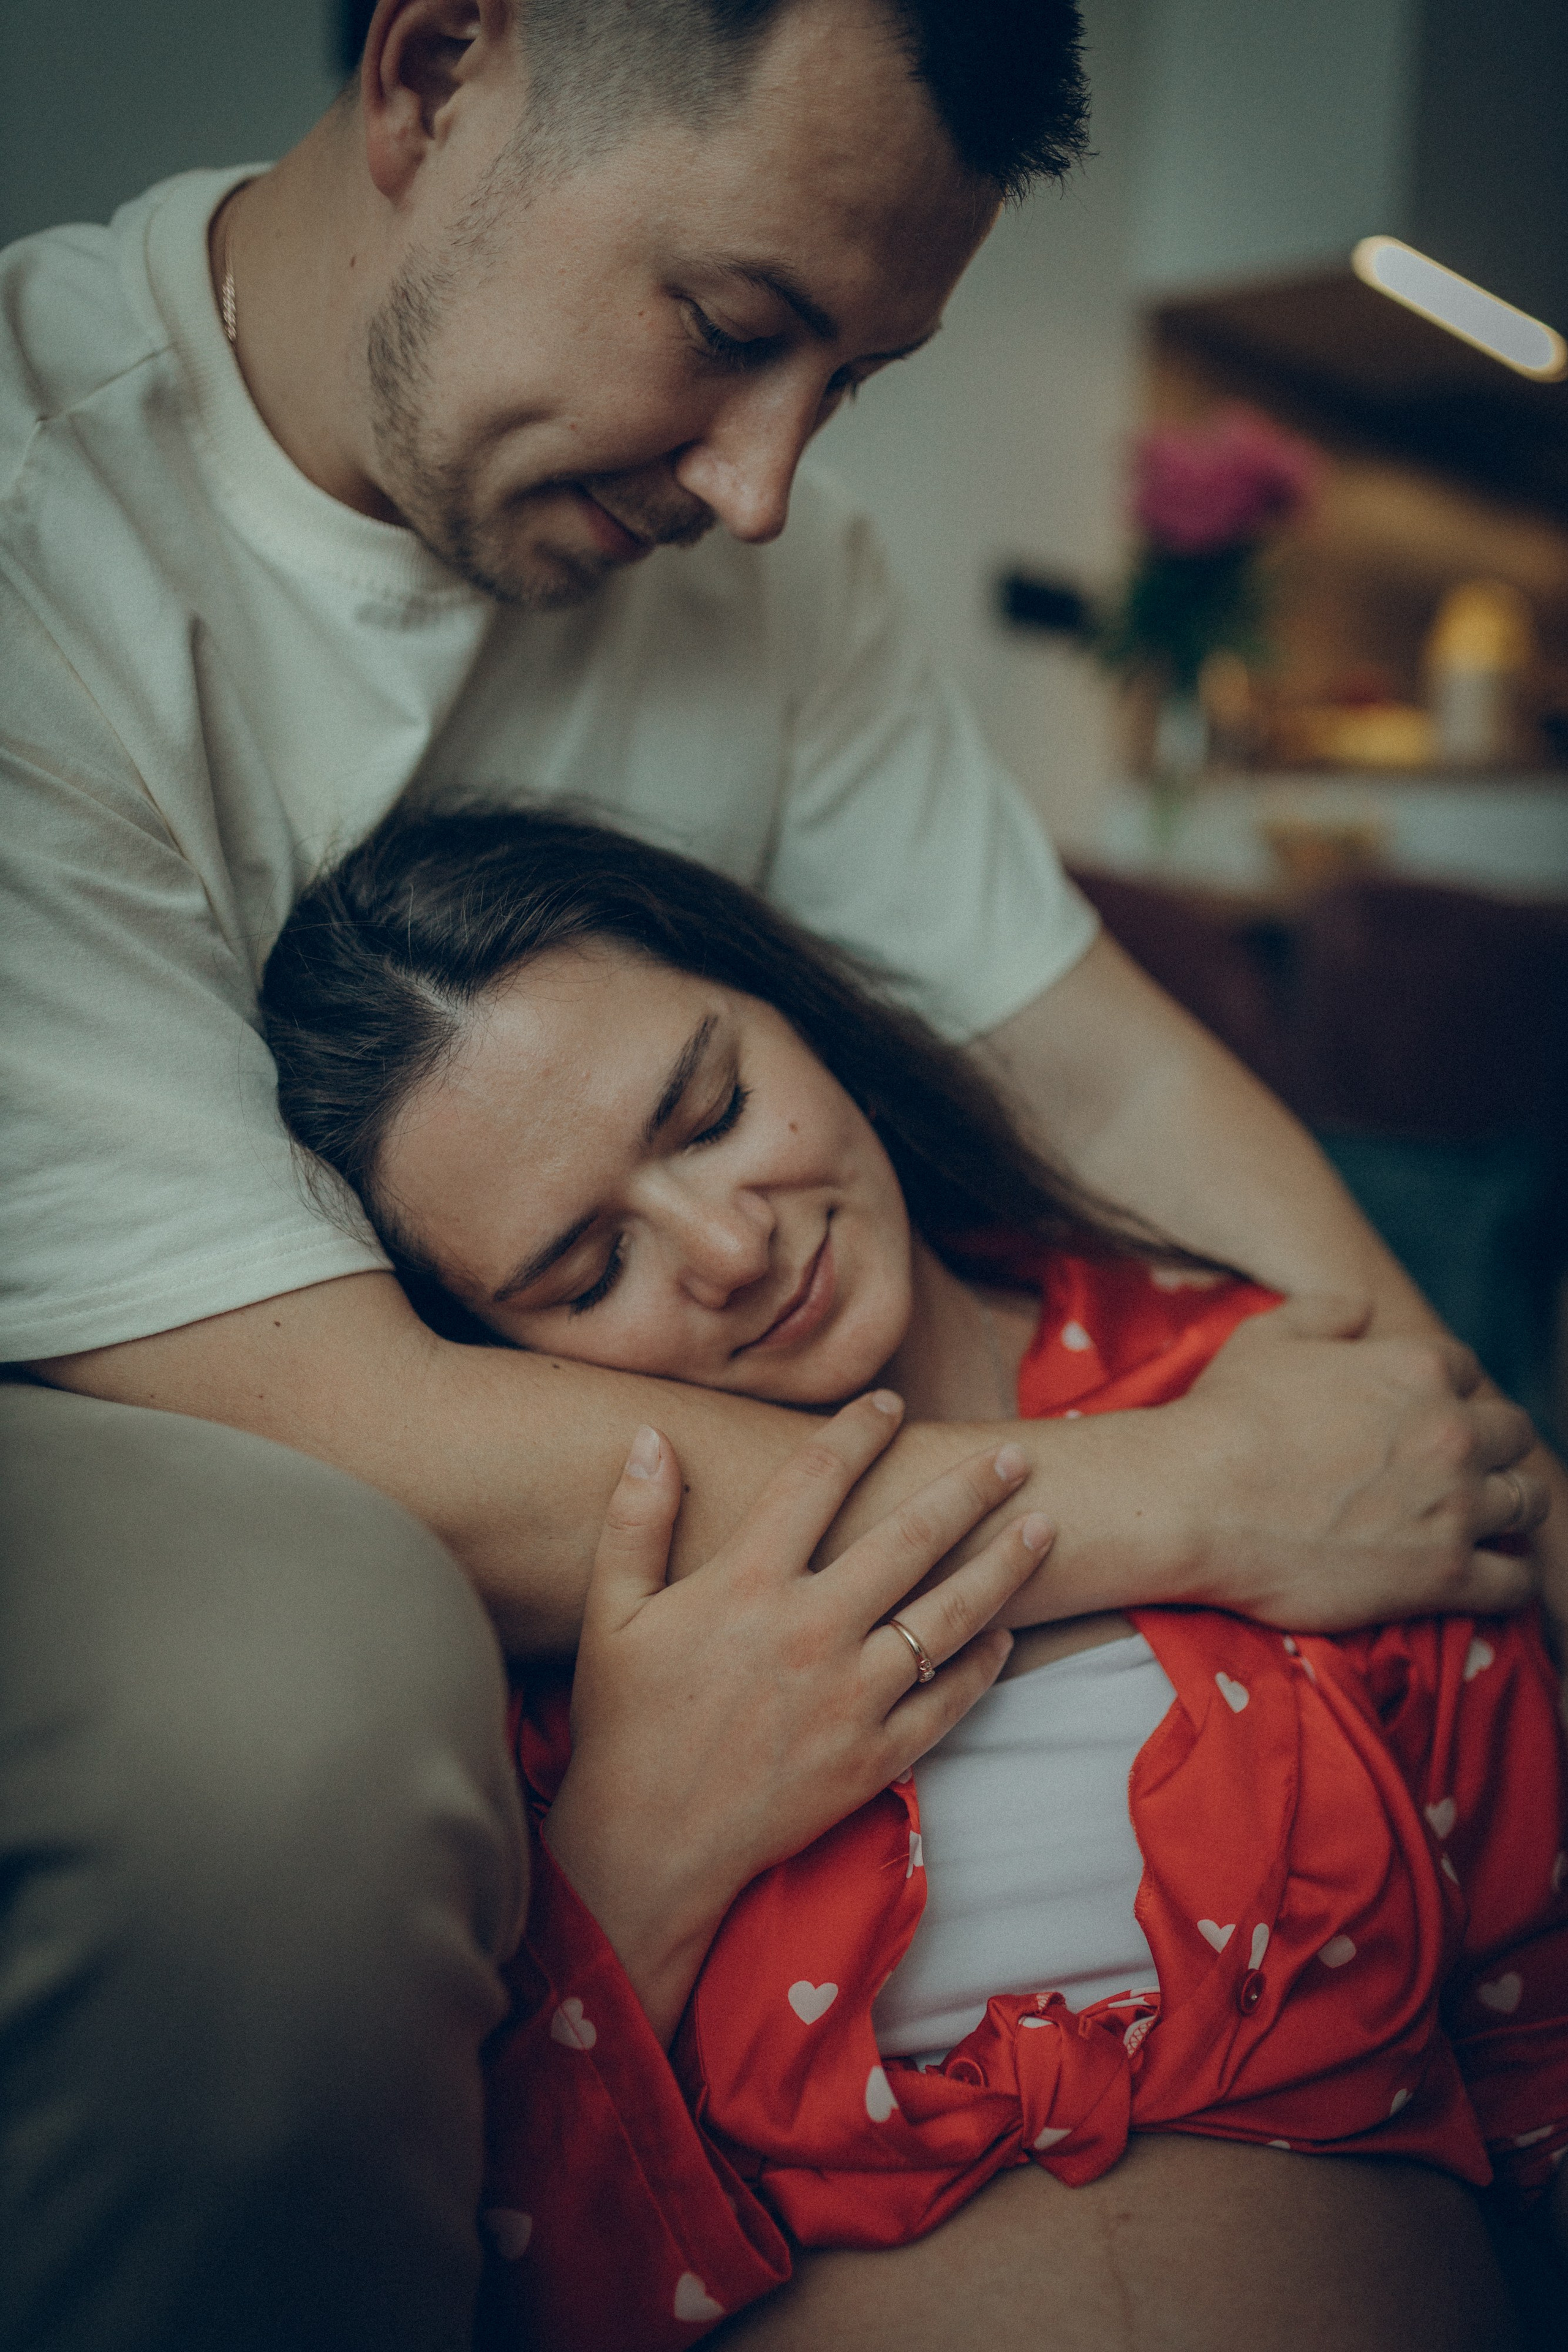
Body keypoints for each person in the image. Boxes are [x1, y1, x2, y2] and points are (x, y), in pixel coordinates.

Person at [1, 2, 1561, 2346]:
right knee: (297, 1684)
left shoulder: (764, 573)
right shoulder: (41, 531)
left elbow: (1106, 1079)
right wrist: (1205, 1503)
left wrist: (1454, 1468)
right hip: (167, 1402)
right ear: (438, 73)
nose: (760, 486)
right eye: (733, 329)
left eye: (849, 382)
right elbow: (327, 1420)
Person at [260, 801, 1568, 2351]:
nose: (727, 1250)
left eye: (712, 1112)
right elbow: (458, 2274)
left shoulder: (1283, 1415)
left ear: (796, 1017)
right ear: (495, 1364)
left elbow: (1538, 2039)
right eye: (588, 1270)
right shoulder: (525, 1669)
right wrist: (634, 1855)